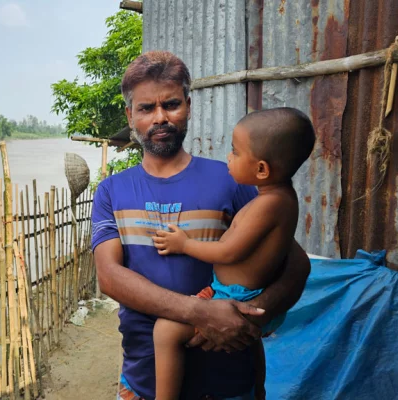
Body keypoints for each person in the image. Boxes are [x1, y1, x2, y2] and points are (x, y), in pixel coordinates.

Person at [91, 51, 311, 400]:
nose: (160, 118)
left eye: (172, 105)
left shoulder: (234, 181)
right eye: (146, 108)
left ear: (189, 107)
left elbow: (296, 263)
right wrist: (201, 312)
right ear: (129, 115)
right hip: (144, 378)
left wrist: (248, 320)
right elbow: (110, 276)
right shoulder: (112, 191)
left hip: (228, 379)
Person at [151, 108, 316, 400]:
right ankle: (259, 389)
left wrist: (184, 244)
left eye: (235, 152)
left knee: (165, 331)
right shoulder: (277, 198)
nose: (229, 157)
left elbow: (228, 252)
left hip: (235, 297)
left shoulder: (268, 206)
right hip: (233, 292)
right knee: (250, 343)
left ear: (262, 169)